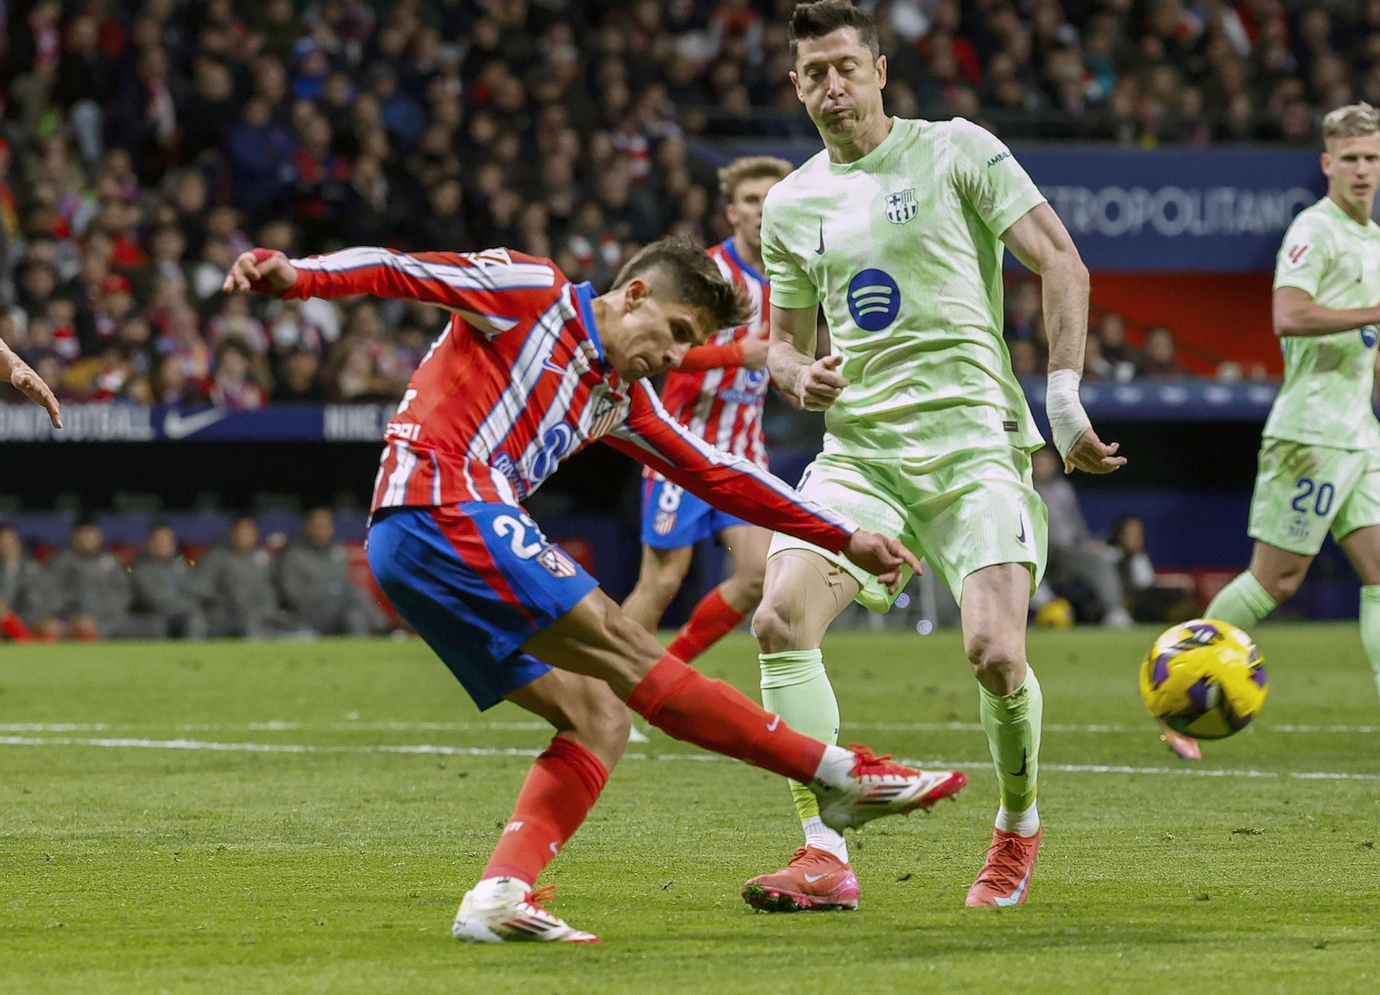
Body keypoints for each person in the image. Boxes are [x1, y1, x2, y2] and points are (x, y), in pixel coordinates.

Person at [222, 236, 965, 943]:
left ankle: (499, 897)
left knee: (597, 717)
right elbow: (404, 270)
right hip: (441, 501)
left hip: (417, 545)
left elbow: (715, 472)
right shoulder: (531, 291)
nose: (673, 357)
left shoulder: (618, 395)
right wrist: (300, 277)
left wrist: (843, 536)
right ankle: (836, 773)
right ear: (634, 295)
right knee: (623, 644)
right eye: (675, 332)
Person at [747, 0, 1124, 913]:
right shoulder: (790, 205)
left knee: (995, 653)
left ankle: (1017, 826)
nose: (832, 86)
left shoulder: (958, 149)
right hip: (862, 456)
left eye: (846, 66)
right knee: (778, 620)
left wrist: (1063, 399)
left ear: (880, 72)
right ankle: (823, 854)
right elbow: (782, 343)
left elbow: (1061, 261)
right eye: (813, 73)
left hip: (975, 447)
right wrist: (796, 375)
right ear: (796, 87)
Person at [1192, 102, 1380, 763]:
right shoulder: (1313, 230)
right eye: (1349, 158)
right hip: (1311, 434)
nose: (1361, 169)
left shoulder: (1370, 235)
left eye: (1371, 157)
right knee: (1276, 581)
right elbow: (1289, 316)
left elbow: (1350, 327)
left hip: (1360, 432)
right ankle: (1179, 681)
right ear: (1327, 163)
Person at [619, 156, 791, 662]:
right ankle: (607, 686)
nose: (762, 210)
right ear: (731, 213)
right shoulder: (706, 277)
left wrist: (801, 382)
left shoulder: (792, 279)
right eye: (751, 200)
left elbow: (778, 360)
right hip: (681, 444)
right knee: (662, 581)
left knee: (756, 575)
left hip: (743, 449)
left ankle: (667, 672)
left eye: (772, 200)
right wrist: (738, 353)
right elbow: (664, 352)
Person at [1030, 450, 1131, 628]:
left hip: (1068, 547)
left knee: (1100, 558)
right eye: (1038, 463)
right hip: (1037, 547)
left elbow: (1075, 521)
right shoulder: (1025, 487)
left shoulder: (1063, 488)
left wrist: (1085, 540)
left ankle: (1115, 611)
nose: (1042, 467)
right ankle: (1038, 593)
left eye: (1046, 463)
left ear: (1054, 464)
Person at [277, 507, 386, 636]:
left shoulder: (336, 551)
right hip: (308, 613)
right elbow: (292, 594)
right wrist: (328, 593)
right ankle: (385, 628)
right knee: (351, 598)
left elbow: (346, 583)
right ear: (308, 527)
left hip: (337, 609)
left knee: (355, 614)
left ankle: (372, 638)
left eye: (327, 526)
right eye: (318, 526)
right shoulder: (294, 555)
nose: (323, 530)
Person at [192, 517, 299, 638]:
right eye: (240, 533)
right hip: (229, 620)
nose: (244, 536)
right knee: (251, 628)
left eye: (248, 532)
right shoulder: (216, 558)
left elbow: (278, 590)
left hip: (266, 617)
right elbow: (201, 591)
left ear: (256, 534)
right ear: (232, 534)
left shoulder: (265, 559)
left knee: (302, 631)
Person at [47, 519, 132, 641]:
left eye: (91, 533)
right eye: (82, 533)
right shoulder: (62, 562)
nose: (87, 538)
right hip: (75, 622)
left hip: (112, 620)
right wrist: (70, 617)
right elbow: (52, 596)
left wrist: (105, 616)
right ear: (74, 536)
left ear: (99, 535)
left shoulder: (111, 561)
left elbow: (124, 593)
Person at [128, 525, 207, 639]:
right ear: (150, 544)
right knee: (158, 625)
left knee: (196, 618)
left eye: (168, 542)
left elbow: (198, 591)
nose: (165, 545)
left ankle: (193, 651)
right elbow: (155, 600)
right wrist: (187, 605)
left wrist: (189, 606)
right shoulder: (142, 570)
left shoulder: (181, 566)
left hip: (186, 614)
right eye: (160, 542)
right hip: (155, 616)